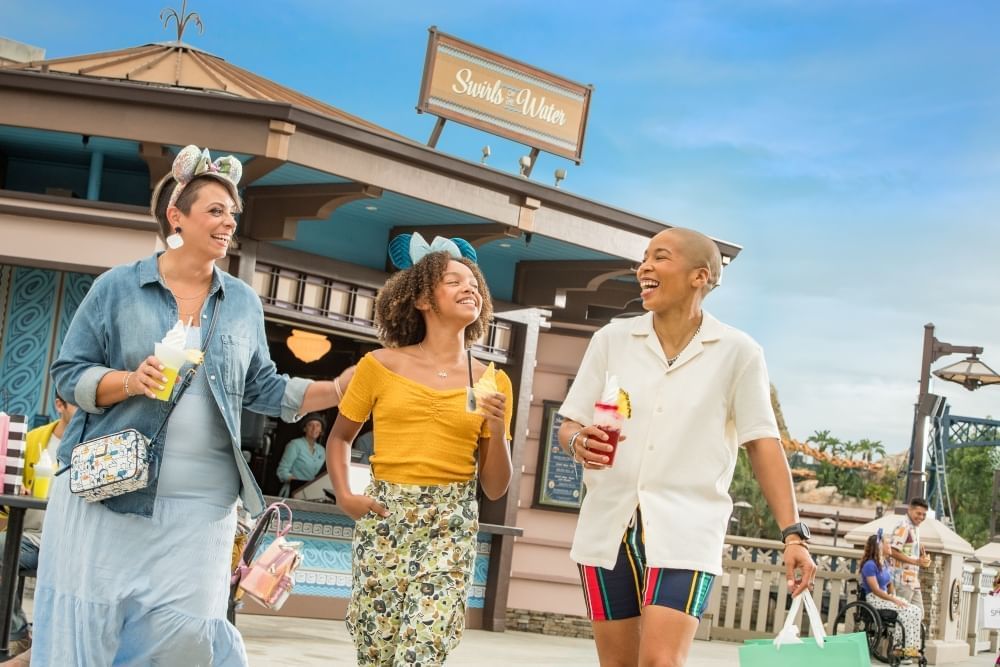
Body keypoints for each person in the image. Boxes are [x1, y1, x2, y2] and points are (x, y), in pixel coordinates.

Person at [31, 145, 353, 666]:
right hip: (109, 491)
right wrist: (129, 381)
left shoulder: (243, 301)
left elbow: (263, 388)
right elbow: (69, 375)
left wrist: (337, 388)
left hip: (205, 504)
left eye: (233, 213)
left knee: (187, 636)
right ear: (176, 217)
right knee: (91, 622)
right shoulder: (118, 286)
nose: (228, 222)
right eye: (215, 210)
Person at [557, 227, 816, 667]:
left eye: (660, 257)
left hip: (687, 527)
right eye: (644, 258)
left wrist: (794, 534)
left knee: (661, 661)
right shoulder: (612, 340)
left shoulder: (738, 352)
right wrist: (579, 440)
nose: (645, 267)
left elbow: (763, 444)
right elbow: (570, 425)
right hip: (607, 526)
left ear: (701, 276)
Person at [326, 232, 513, 666]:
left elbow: (496, 487)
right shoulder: (379, 366)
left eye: (473, 282)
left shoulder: (492, 381)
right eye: (453, 280)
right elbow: (339, 437)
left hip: (451, 525)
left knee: (422, 649)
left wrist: (498, 428)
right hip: (386, 519)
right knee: (377, 650)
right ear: (423, 299)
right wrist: (346, 496)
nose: (470, 287)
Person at [0, 393, 76, 657]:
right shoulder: (33, 439)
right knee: (2, 549)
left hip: (72, 539)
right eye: (77, 402)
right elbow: (8, 484)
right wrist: (16, 488)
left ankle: (29, 643)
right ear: (59, 405)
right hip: (31, 534)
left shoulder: (93, 440)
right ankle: (17, 633)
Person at [861, 530, 922, 662]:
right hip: (875, 600)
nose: (890, 546)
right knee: (905, 612)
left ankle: (911, 650)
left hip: (885, 598)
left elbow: (889, 583)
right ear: (879, 547)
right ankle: (899, 651)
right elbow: (876, 590)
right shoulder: (869, 565)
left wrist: (893, 595)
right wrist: (893, 599)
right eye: (887, 543)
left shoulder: (885, 563)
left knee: (916, 611)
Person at [890, 497, 931, 612]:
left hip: (912, 580)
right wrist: (916, 562)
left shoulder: (915, 527)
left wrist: (918, 546)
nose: (921, 517)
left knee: (919, 613)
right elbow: (892, 551)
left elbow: (906, 546)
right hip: (901, 580)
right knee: (902, 615)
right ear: (910, 509)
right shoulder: (904, 526)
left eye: (924, 515)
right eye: (918, 513)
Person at [276, 412, 330, 495]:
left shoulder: (322, 450)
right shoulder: (294, 445)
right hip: (294, 491)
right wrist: (297, 481)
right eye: (310, 425)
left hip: (313, 493)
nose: (314, 428)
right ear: (305, 429)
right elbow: (281, 472)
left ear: (321, 430)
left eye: (318, 425)